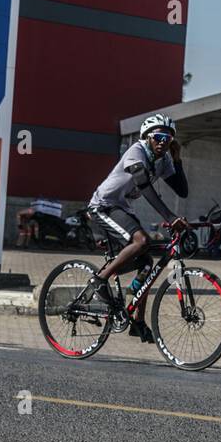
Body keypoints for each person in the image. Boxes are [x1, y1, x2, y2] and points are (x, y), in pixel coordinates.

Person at [86, 114, 188, 338]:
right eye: (159, 136)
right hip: (103, 207)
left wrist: (177, 157)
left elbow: (182, 190)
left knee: (147, 264)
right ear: (147, 137)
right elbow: (143, 184)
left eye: (168, 139)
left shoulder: (163, 161)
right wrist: (170, 216)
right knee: (142, 241)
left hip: (123, 210)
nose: (163, 141)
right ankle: (99, 280)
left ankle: (137, 322)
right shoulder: (137, 151)